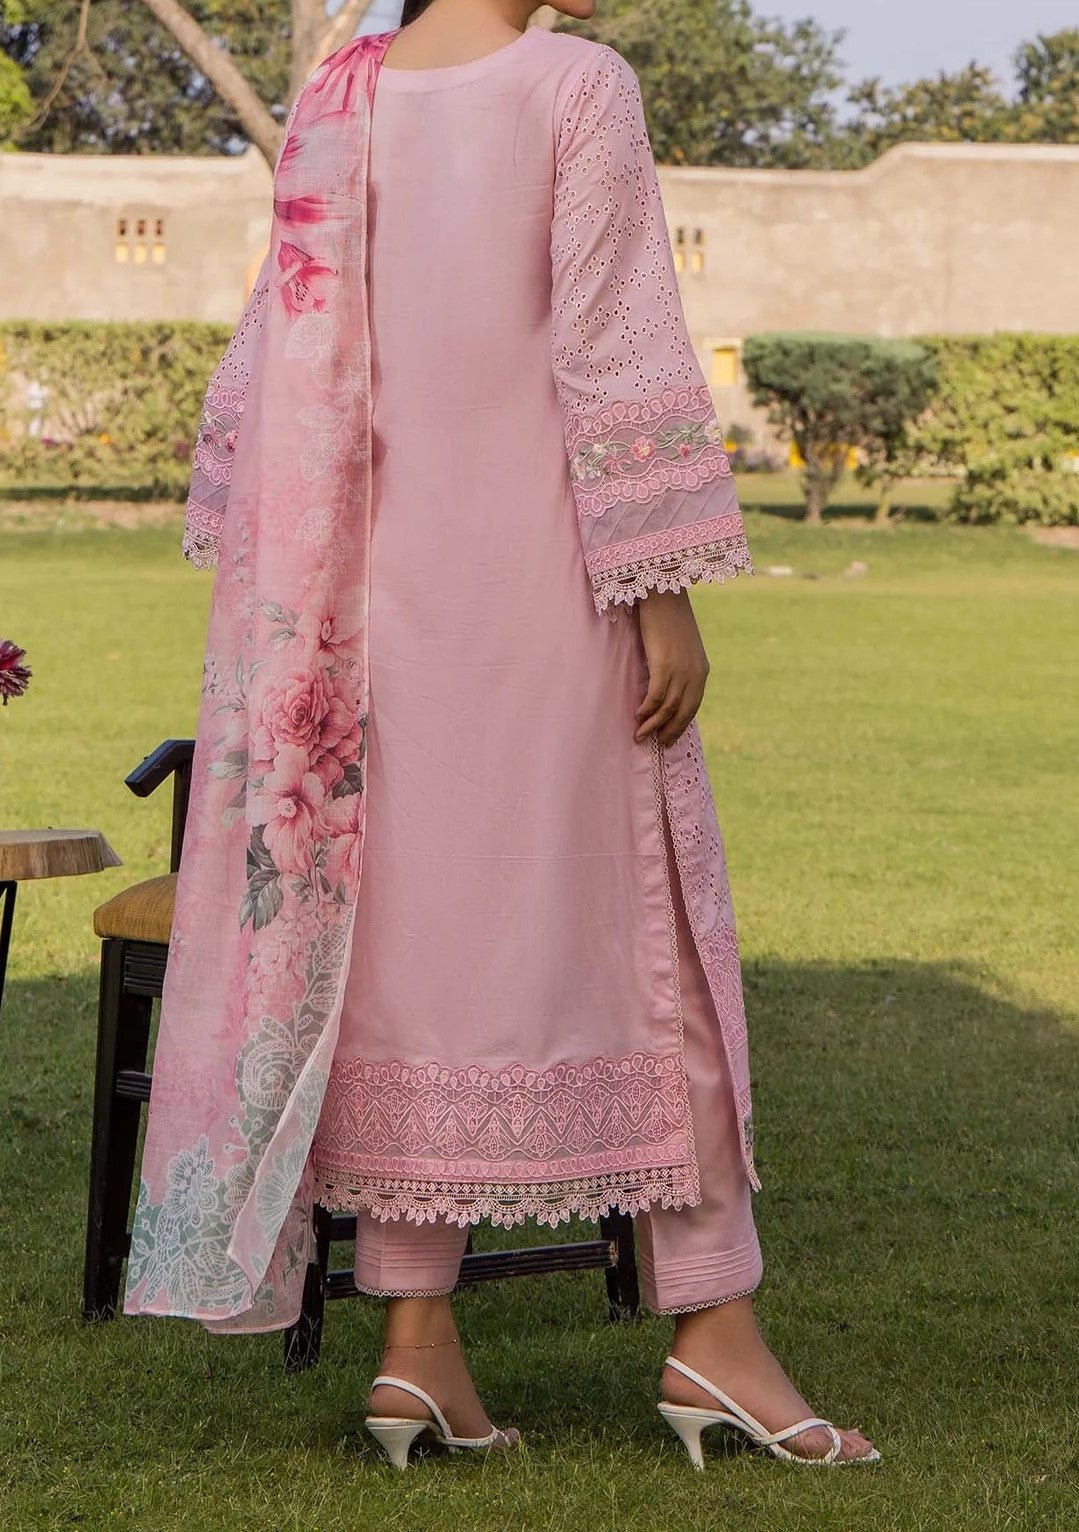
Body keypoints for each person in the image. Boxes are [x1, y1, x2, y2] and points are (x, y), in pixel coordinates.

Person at [125, 0, 879, 1472]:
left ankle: (418, 1352)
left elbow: (278, 347)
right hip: (552, 590)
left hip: (368, 609)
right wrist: (662, 591)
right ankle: (714, 1328)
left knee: (413, 960)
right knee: (653, 932)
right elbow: (611, 340)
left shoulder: (341, 99)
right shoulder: (575, 88)